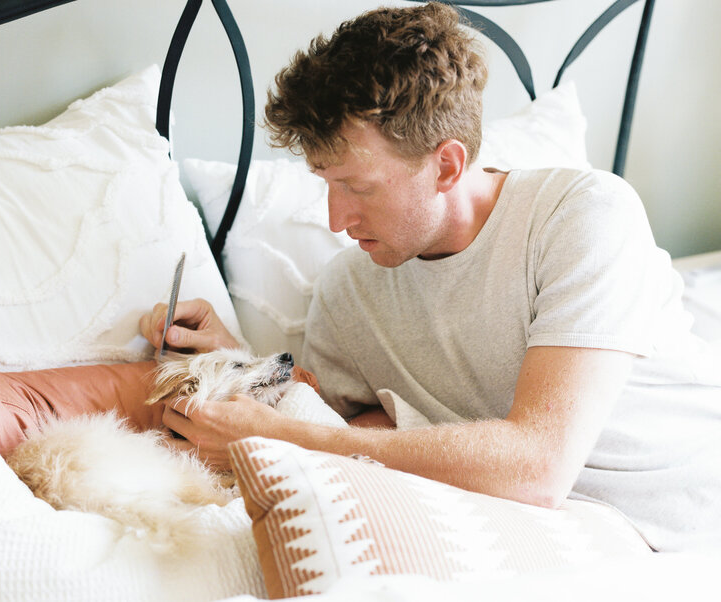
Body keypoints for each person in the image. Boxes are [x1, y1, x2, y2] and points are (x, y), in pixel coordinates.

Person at [139, 3, 721, 552]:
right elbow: (355, 436)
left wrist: (276, 440)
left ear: (446, 164)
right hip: (561, 539)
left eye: (359, 187)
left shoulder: (582, 214)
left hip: (694, 523)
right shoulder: (349, 290)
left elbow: (538, 467)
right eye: (326, 183)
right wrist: (241, 365)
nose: (337, 220)